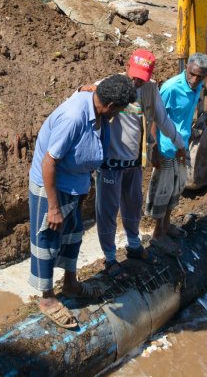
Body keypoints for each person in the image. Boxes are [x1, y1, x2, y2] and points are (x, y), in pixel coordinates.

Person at [29, 74, 137, 329]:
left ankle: (71, 283)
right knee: (48, 239)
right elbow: (49, 162)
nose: (119, 114)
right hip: (52, 186)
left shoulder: (100, 105)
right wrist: (54, 207)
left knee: (73, 234)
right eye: (120, 110)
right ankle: (46, 298)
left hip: (75, 185)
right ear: (111, 107)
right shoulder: (74, 117)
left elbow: (95, 86)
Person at [82, 50, 188, 280]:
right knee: (108, 211)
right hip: (111, 163)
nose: (136, 81)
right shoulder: (112, 84)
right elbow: (85, 93)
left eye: (142, 77)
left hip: (134, 162)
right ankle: (109, 258)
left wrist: (180, 144)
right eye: (134, 75)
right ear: (127, 66)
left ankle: (133, 244)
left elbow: (162, 120)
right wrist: (84, 89)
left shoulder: (150, 90)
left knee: (133, 205)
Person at [144, 52, 207, 256]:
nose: (195, 80)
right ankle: (158, 233)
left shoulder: (197, 86)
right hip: (166, 147)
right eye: (192, 74)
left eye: (200, 76)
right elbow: (154, 118)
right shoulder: (171, 88)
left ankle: (166, 226)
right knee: (162, 192)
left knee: (176, 189)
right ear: (186, 69)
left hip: (182, 146)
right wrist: (153, 148)